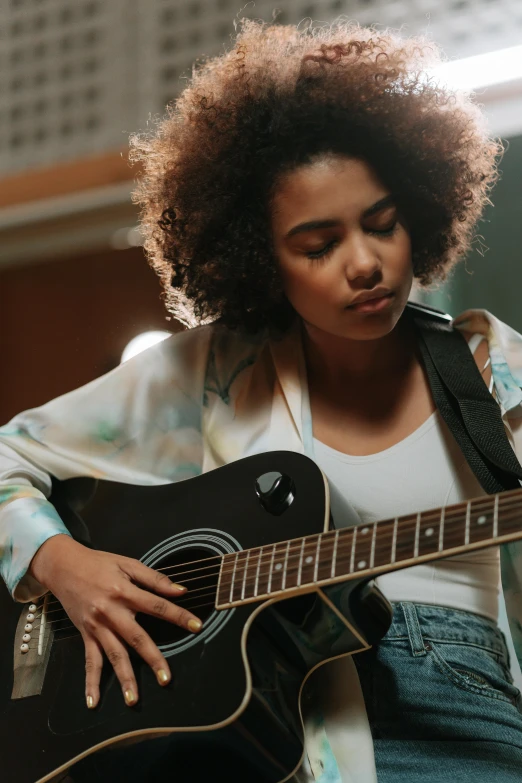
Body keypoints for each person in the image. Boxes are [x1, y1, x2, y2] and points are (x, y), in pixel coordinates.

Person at [2, 17, 522, 783]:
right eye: (318, 245)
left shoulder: (496, 374)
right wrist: (61, 561)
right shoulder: (215, 369)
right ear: (259, 258)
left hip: (458, 714)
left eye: (382, 223)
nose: (365, 263)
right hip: (267, 737)